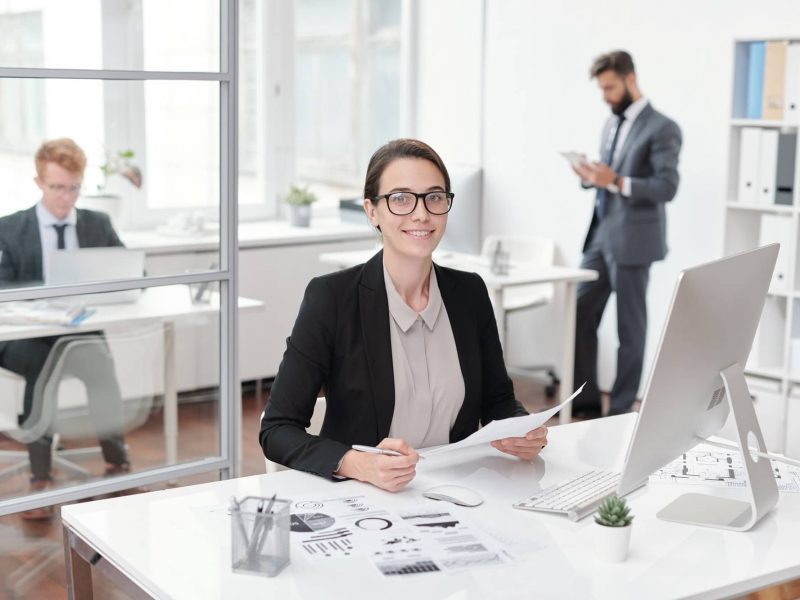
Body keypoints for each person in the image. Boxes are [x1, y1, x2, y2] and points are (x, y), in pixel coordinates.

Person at [260, 139, 548, 492]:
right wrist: (357, 464)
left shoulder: (469, 293)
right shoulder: (331, 299)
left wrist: (521, 429)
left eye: (435, 197)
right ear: (372, 211)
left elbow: (497, 401)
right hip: (363, 500)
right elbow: (276, 429)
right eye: (400, 198)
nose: (421, 213)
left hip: (457, 493)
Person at [0, 138, 130, 519]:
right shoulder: (9, 229)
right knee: (44, 364)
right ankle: (40, 478)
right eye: (57, 187)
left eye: (73, 187)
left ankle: (117, 463)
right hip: (24, 337)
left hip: (78, 331)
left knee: (101, 366)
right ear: (39, 182)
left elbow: (130, 272)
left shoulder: (97, 224)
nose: (66, 197)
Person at [571, 51, 682, 418]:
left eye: (610, 87)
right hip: (601, 236)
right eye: (601, 88)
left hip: (634, 242)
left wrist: (616, 181)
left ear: (630, 79)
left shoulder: (662, 127)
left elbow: (666, 187)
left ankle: (620, 412)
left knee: (629, 330)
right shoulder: (611, 124)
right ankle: (585, 404)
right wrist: (592, 178)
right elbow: (607, 180)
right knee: (580, 312)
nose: (605, 95)